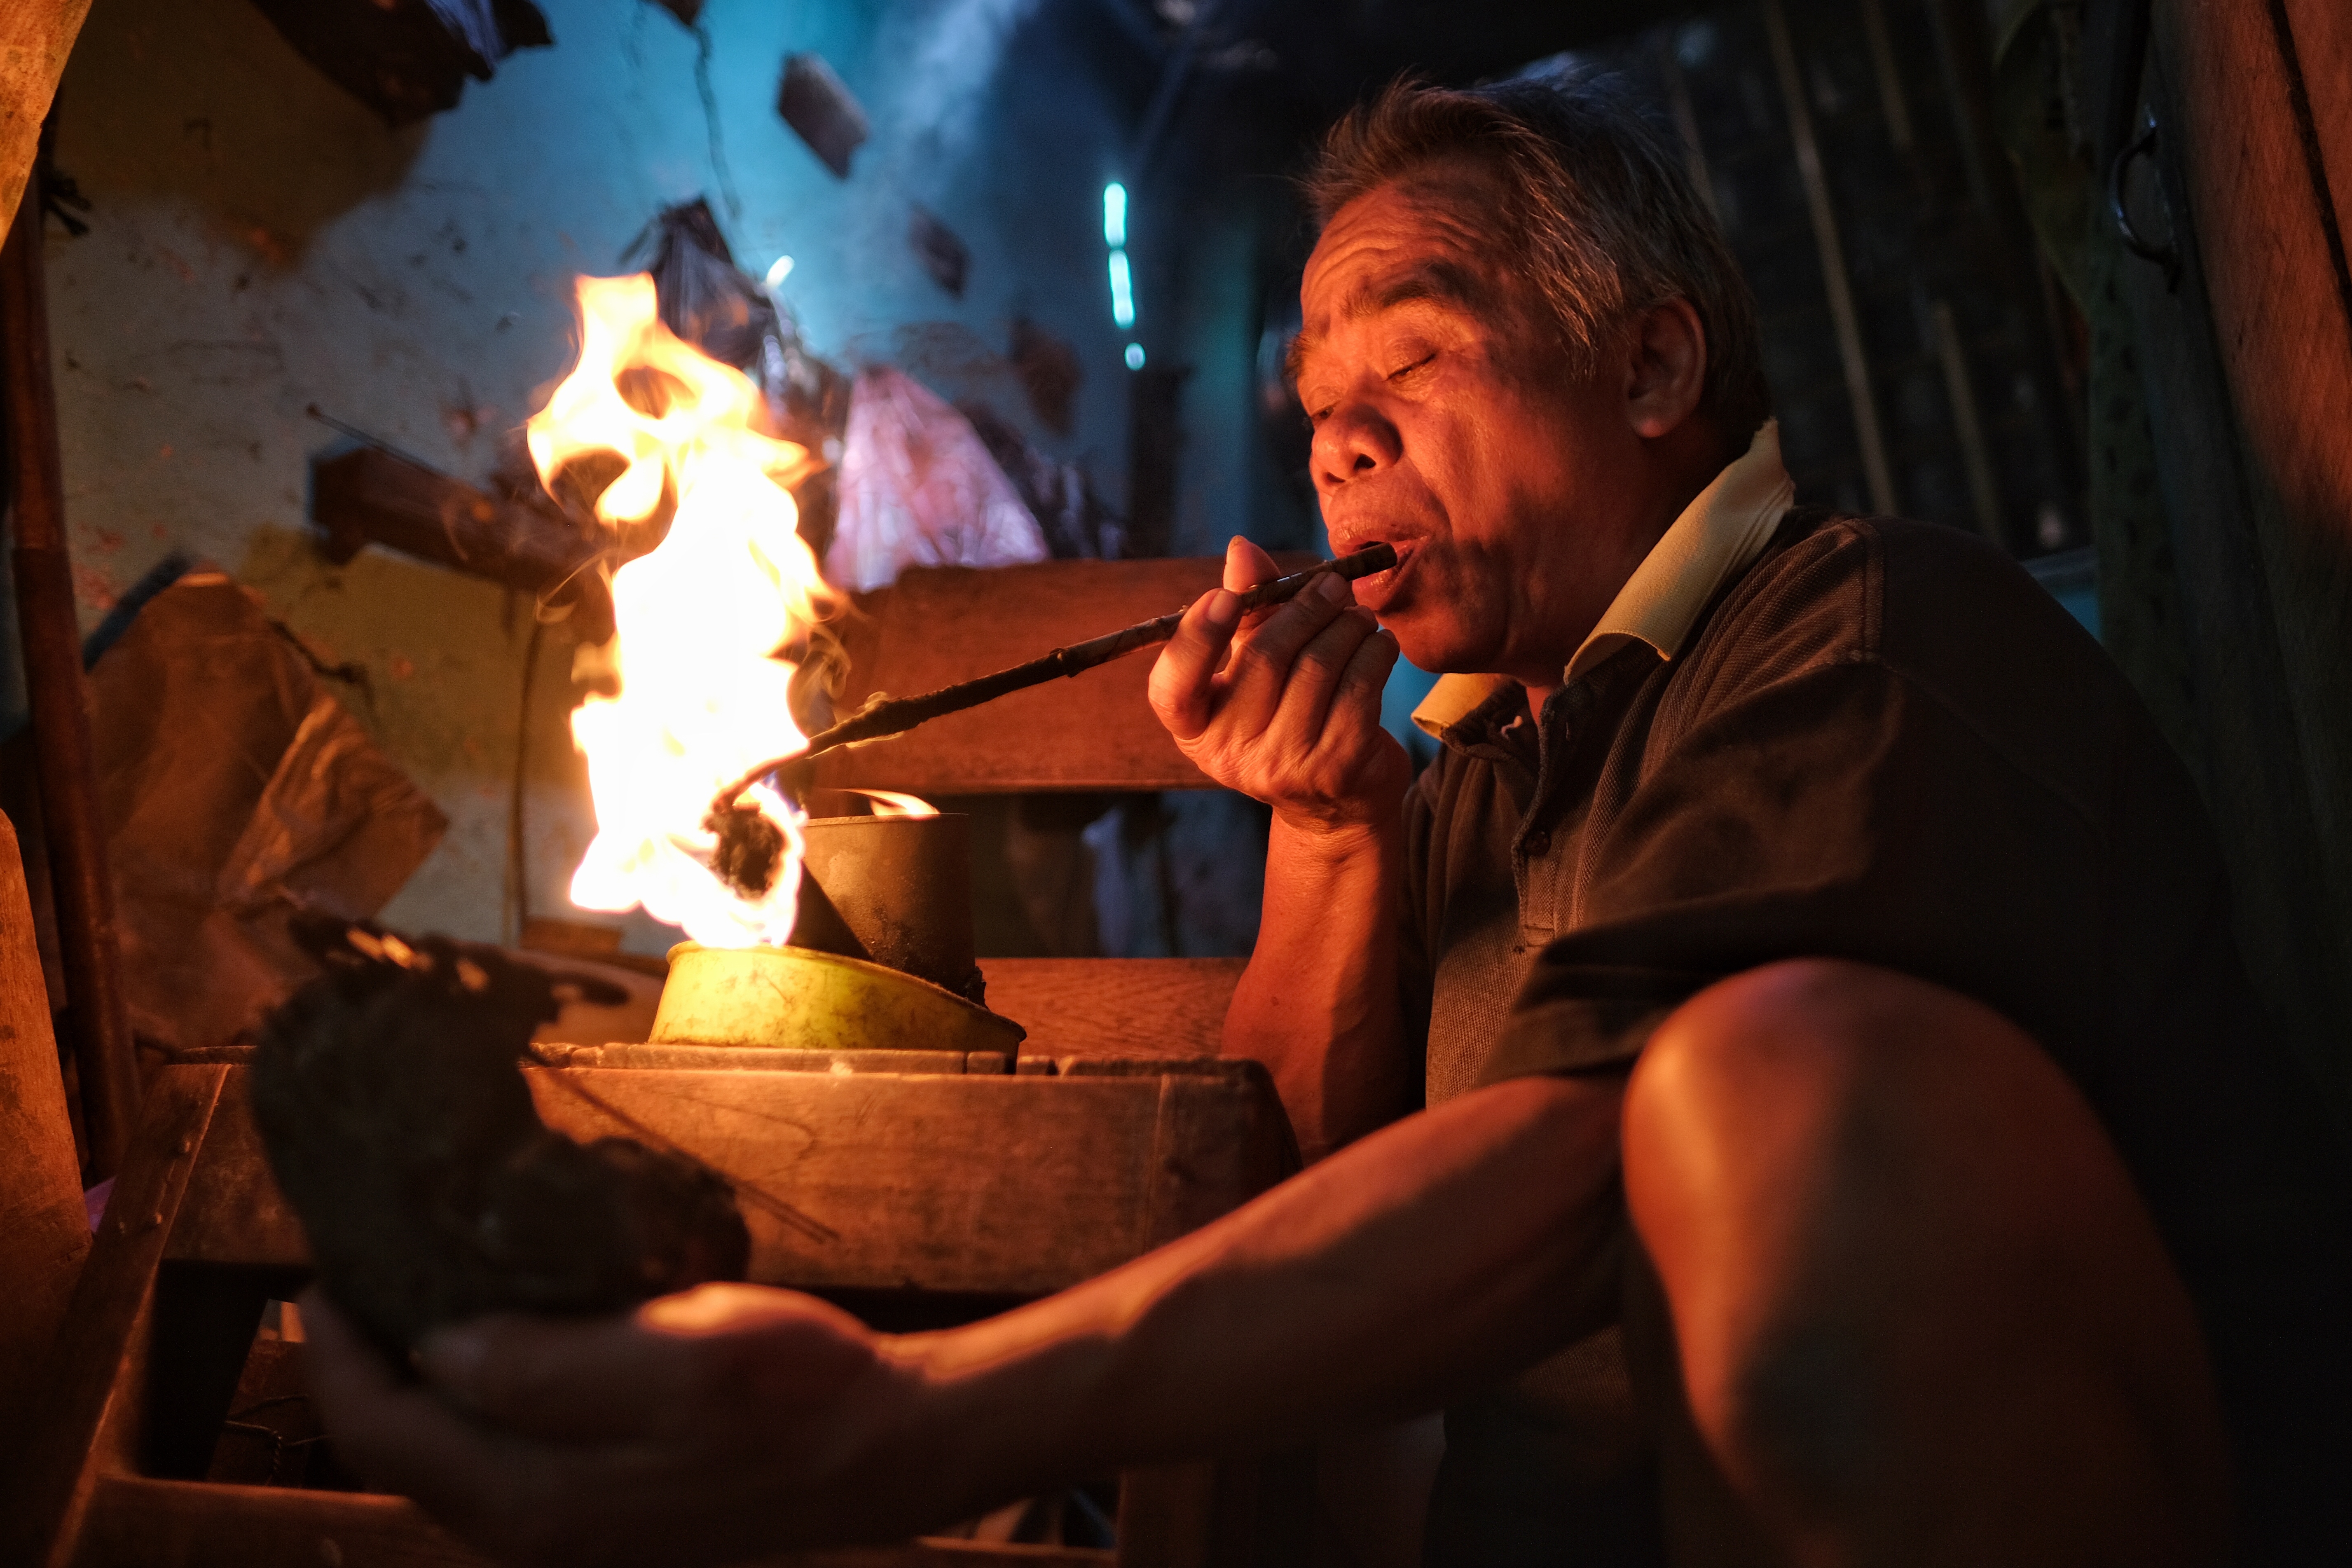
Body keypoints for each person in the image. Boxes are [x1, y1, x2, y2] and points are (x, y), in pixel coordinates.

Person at [302, 77, 2352, 1566]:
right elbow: (1276, 1204)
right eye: (1314, 406)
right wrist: (1335, 824)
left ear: (1652, 365)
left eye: (1419, 356)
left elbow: (1576, 1182)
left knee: (1770, 1081)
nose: (1340, 433)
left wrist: (915, 1419)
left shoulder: (1857, 639)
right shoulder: (1481, 760)